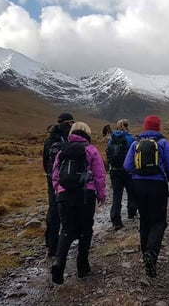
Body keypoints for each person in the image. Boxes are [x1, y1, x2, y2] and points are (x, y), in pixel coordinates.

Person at [50, 122, 106, 284]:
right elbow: (99, 176)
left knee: (66, 230)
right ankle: (82, 266)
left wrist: (58, 191)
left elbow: (55, 175)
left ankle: (59, 265)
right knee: (86, 230)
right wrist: (101, 195)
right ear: (87, 133)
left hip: (64, 196)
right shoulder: (91, 150)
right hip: (85, 196)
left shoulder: (62, 151)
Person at [124, 115, 169, 278]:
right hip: (157, 186)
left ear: (145, 127)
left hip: (138, 186)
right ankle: (151, 254)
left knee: (144, 220)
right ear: (158, 127)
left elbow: (127, 166)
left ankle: (146, 255)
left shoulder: (135, 143)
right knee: (159, 221)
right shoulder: (162, 143)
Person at [42, 112, 75, 257]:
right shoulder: (69, 138)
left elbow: (44, 162)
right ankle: (67, 240)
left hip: (51, 178)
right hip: (66, 179)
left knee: (53, 209)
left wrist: (50, 175)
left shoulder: (49, 140)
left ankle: (51, 244)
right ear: (68, 123)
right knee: (67, 209)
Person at [106, 119, 137, 230]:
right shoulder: (131, 139)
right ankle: (131, 213)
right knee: (131, 192)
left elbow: (108, 153)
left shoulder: (111, 139)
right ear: (128, 126)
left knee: (117, 195)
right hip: (128, 171)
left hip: (114, 170)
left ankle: (116, 220)